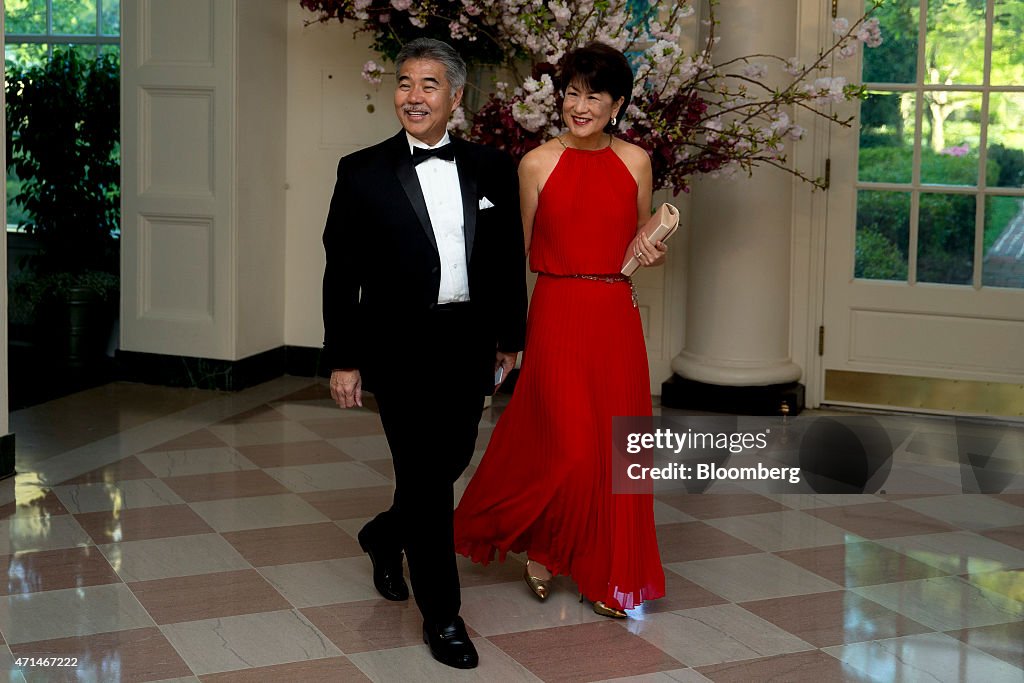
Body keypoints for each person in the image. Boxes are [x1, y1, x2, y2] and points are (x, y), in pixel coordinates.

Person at [322, 37, 526, 669]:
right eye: (405, 83)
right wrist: (344, 357)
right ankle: (443, 616)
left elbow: (506, 259)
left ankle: (385, 537)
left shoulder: (493, 167)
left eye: (429, 85)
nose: (414, 96)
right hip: (398, 349)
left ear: (455, 97)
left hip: (468, 344)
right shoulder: (361, 171)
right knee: (426, 480)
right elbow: (340, 272)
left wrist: (511, 339)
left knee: (450, 462)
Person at [453, 42, 666, 618]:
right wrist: (505, 335)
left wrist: (650, 249)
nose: (580, 104)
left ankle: (602, 571)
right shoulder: (536, 163)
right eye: (571, 92)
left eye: (593, 95)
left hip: (615, 313)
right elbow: (512, 256)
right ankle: (542, 547)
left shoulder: (637, 161)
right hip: (556, 310)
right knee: (567, 445)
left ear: (616, 104)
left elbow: (638, 242)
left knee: (615, 450)